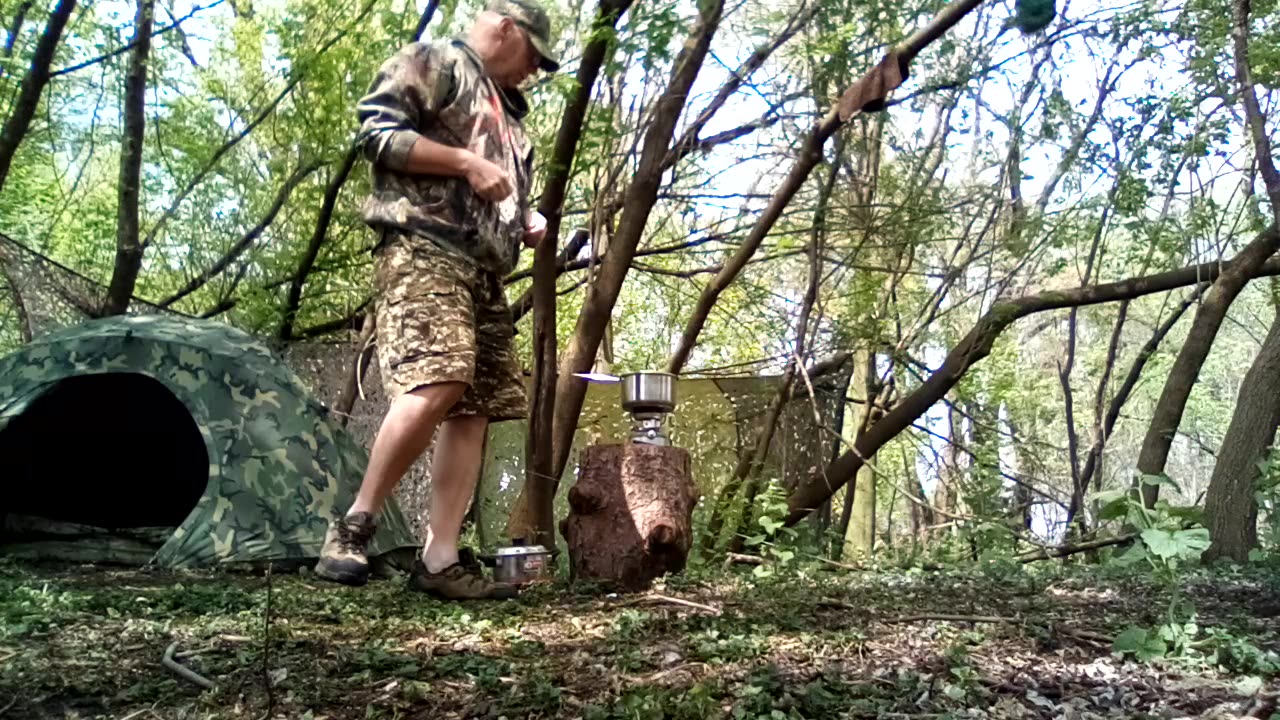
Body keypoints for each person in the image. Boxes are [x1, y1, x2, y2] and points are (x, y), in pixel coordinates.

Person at [314, 0, 560, 600]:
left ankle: (439, 558)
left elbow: (499, 193)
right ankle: (353, 526)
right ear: (507, 28)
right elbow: (376, 135)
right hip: (423, 246)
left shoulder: (513, 122)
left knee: (473, 405)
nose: (535, 71)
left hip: (485, 272)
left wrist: (528, 217)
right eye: (534, 56)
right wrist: (466, 163)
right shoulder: (437, 62)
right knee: (438, 378)